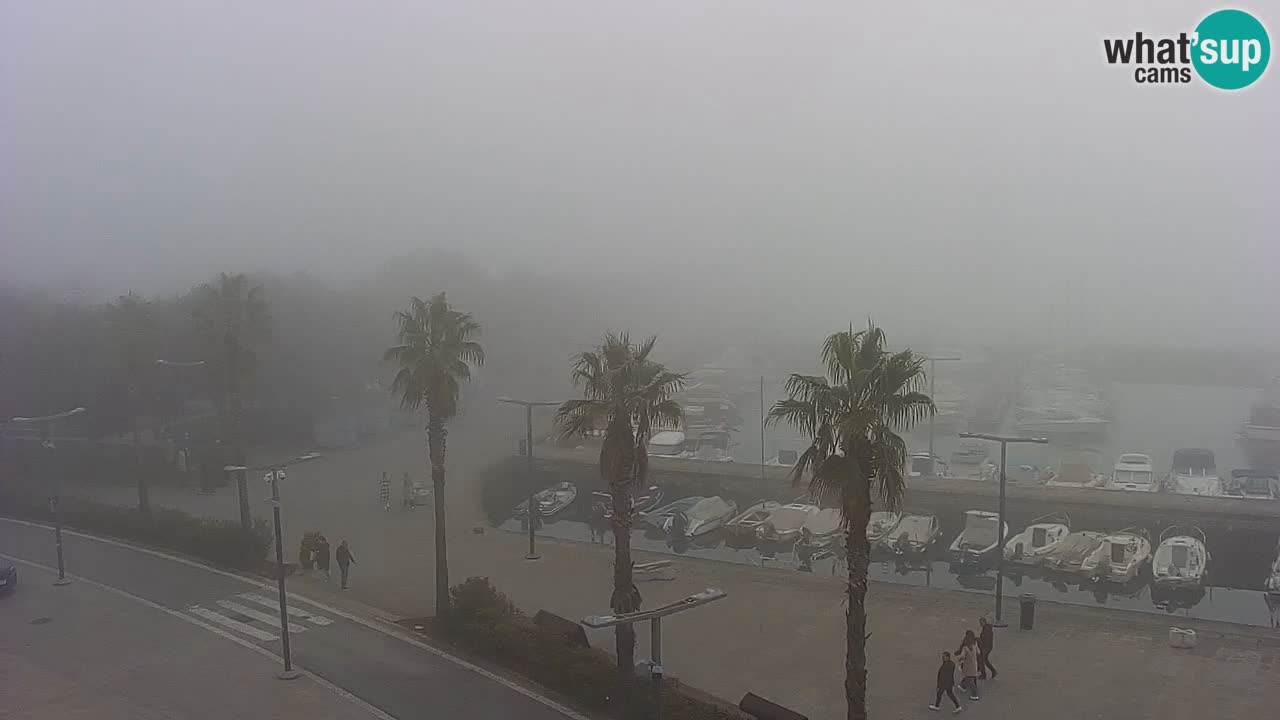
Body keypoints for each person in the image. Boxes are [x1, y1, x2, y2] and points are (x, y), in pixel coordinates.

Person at [956, 631, 980, 701]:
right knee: (970, 676)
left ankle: (974, 694)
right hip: (974, 663)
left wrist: (959, 659)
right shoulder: (975, 644)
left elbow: (963, 656)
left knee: (970, 678)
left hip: (968, 664)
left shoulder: (965, 648)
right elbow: (979, 652)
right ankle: (963, 686)